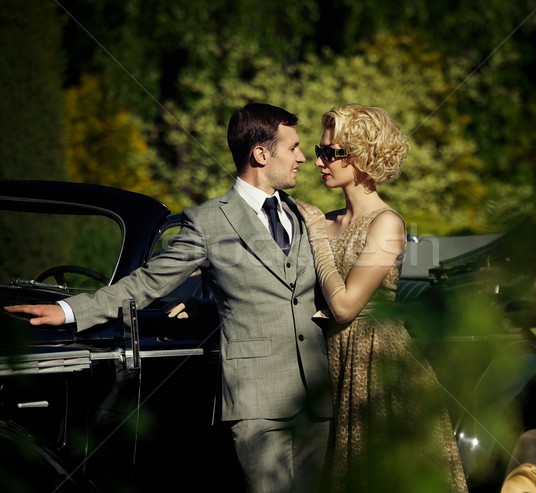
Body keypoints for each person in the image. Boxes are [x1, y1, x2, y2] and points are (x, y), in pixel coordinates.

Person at [5, 103, 333, 493]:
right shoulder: (210, 221)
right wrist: (69, 309)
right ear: (261, 154)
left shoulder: (301, 215)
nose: (302, 157)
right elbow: (146, 283)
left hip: (314, 393)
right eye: (293, 148)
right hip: (257, 399)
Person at [295, 103, 468, 493]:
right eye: (320, 151)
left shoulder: (387, 224)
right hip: (329, 364)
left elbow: (344, 306)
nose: (319, 161)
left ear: (361, 158)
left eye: (330, 152)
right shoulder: (323, 220)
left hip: (379, 364)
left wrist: (316, 235)